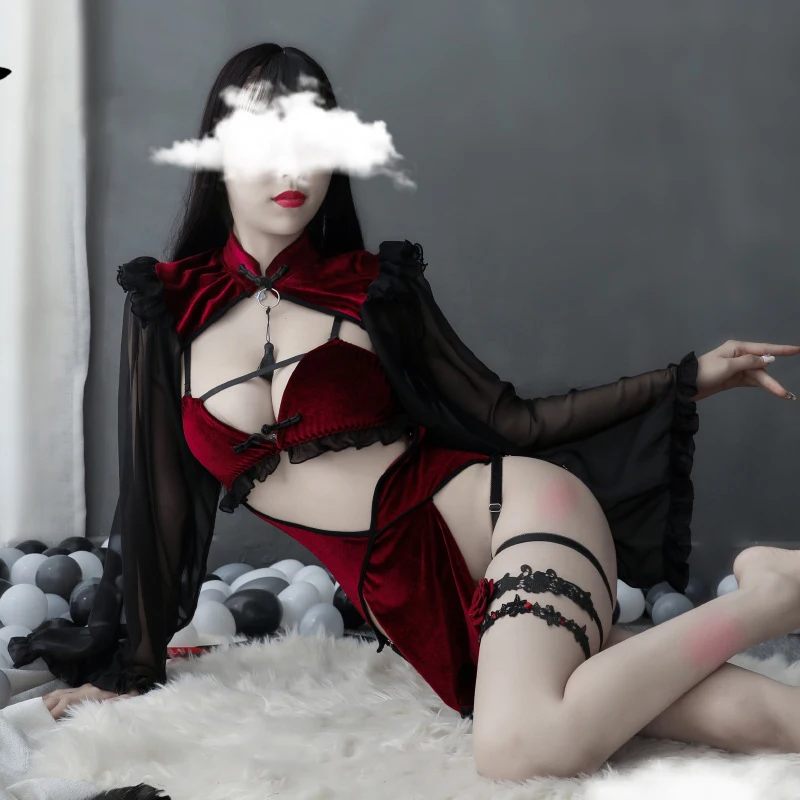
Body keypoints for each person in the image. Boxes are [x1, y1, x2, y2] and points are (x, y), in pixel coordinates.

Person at [9, 43, 800, 781]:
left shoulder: (373, 291)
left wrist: (685, 380)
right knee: (736, 712)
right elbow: (160, 508)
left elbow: (512, 419)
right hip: (420, 605)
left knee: (518, 747)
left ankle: (770, 596)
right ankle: (771, 613)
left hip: (513, 520)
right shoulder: (168, 309)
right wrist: (135, 669)